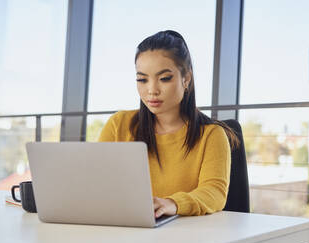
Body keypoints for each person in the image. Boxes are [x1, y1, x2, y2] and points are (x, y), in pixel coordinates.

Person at [98, 30, 239, 218]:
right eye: (142, 79)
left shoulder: (212, 135)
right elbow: (95, 182)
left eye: (164, 78)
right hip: (125, 229)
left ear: (186, 78)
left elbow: (214, 192)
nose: (152, 90)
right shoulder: (119, 125)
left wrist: (173, 203)